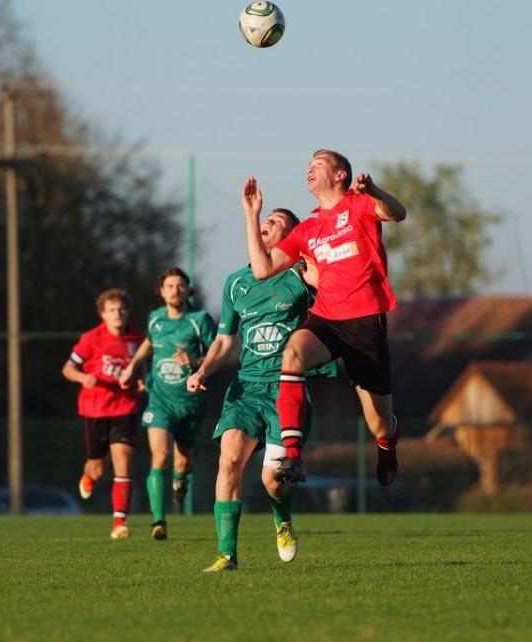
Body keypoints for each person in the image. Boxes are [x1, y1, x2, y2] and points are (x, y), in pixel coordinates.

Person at [240, 149, 407, 487]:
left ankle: (388, 444)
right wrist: (251, 215)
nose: (309, 169)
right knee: (292, 353)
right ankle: (293, 454)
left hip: (365, 322)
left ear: (340, 175)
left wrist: (373, 190)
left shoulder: (359, 204)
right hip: (327, 318)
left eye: (318, 164)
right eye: (309, 165)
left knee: (377, 423)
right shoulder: (309, 227)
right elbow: (262, 269)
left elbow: (398, 213)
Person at [187, 207, 328, 572]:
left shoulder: (299, 273)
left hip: (286, 389)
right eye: (267, 220)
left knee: (273, 482)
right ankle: (227, 555)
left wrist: (310, 251)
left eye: (277, 222)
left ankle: (282, 518)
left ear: (290, 237)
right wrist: (202, 370)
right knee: (230, 459)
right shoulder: (236, 282)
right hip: (246, 388)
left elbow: (330, 285)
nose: (268, 223)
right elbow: (223, 341)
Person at [119, 267, 216, 540]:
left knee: (182, 464)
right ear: (161, 292)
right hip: (160, 402)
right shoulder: (155, 318)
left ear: (188, 290)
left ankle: (180, 479)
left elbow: (218, 354)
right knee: (160, 455)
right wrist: (133, 367)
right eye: (170, 286)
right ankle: (158, 521)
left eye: (180, 285)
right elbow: (149, 344)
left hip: (191, 404)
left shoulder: (199, 320)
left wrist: (194, 361)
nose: (176, 290)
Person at [62, 288, 144, 540]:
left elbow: (141, 370)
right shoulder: (90, 339)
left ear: (127, 312)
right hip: (95, 409)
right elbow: (68, 369)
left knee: (123, 460)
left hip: (125, 407)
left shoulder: (137, 338)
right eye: (112, 310)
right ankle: (89, 474)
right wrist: (82, 377)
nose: (117, 313)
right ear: (103, 314)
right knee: (98, 469)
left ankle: (119, 522)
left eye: (121, 309)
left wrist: (141, 383)